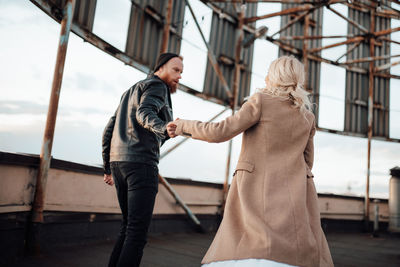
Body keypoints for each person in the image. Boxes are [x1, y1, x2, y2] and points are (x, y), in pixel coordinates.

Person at [167, 56, 333, 267]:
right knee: (294, 251)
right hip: (295, 192)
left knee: (244, 247)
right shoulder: (307, 117)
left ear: (273, 76)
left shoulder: (261, 100)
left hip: (254, 188)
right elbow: (307, 161)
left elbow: (219, 132)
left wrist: (183, 125)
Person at [102, 52, 183, 267]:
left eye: (181, 72)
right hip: (141, 165)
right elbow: (145, 113)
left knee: (127, 228)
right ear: (161, 68)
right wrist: (164, 126)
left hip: (119, 164)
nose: (180, 76)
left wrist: (108, 167)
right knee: (136, 234)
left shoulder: (130, 91)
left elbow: (109, 130)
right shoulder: (158, 87)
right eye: (176, 70)